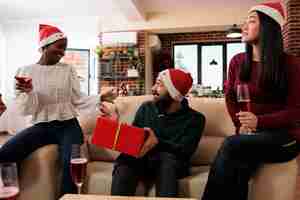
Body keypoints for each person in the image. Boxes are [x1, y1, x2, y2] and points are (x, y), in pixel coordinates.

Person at [0, 24, 116, 195]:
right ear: (44, 46)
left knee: (71, 164)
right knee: (5, 153)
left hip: (68, 126)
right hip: (41, 126)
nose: (63, 52)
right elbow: (27, 110)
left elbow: (77, 98)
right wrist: (29, 92)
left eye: (65, 48)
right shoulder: (25, 71)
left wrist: (100, 97)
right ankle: (9, 194)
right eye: (59, 47)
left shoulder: (68, 69)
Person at [201, 2, 300, 200]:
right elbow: (230, 97)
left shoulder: (291, 64)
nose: (244, 26)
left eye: (252, 21)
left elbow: (296, 110)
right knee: (238, 167)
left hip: (285, 138)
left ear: (268, 26)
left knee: (231, 145)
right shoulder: (237, 61)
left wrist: (259, 122)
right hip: (251, 136)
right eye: (244, 22)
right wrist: (240, 125)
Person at [111, 68, 206, 197]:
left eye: (160, 84)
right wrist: (118, 129)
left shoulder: (195, 119)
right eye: (155, 83)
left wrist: (157, 143)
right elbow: (134, 138)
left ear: (174, 93)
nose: (153, 88)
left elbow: (185, 151)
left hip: (171, 165)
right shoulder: (146, 108)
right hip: (144, 160)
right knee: (125, 159)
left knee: (166, 159)